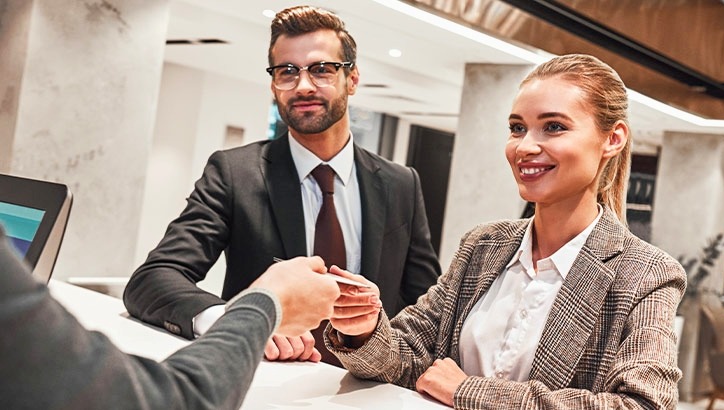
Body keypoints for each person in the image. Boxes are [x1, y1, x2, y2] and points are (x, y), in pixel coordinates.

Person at [325, 54, 687, 408]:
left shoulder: (646, 273)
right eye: (517, 128)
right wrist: (364, 329)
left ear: (613, 138)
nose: (525, 147)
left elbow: (643, 403)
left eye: (554, 127)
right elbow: (408, 356)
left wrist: (470, 391)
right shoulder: (483, 245)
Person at [123, 4, 440, 366]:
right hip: (269, 380)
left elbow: (427, 312)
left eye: (321, 69)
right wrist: (240, 322)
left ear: (351, 79)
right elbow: (153, 279)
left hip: (368, 387)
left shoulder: (401, 184)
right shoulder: (235, 173)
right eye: (287, 72)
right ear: (274, 84)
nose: (303, 86)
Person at [0, 226, 340, 409]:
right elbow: (172, 401)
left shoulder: (379, 178)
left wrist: (361, 336)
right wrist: (259, 309)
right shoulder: (235, 168)